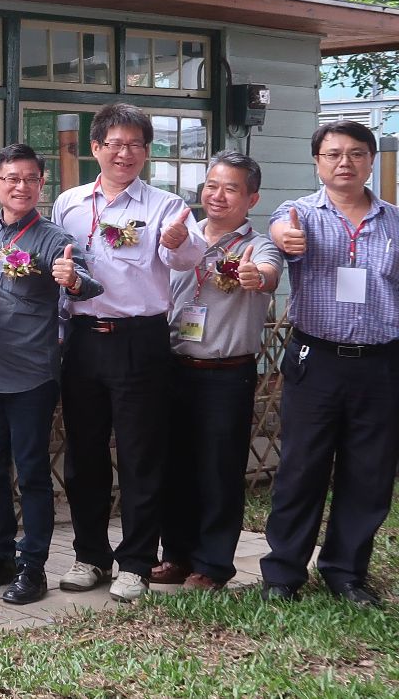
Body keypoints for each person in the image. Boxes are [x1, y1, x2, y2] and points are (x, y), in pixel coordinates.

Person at [50, 103, 204, 603]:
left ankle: (136, 562)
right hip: (83, 339)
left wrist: (180, 241)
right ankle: (89, 556)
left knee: (141, 456)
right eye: (114, 143)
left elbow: (185, 255)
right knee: (84, 454)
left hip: (141, 340)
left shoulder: (165, 206)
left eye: (135, 144)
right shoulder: (69, 203)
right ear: (95, 148)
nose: (124, 152)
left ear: (146, 151)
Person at [262, 121, 399, 607]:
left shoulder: (394, 222)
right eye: (334, 154)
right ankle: (282, 574)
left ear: (371, 160)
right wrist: (285, 238)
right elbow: (279, 231)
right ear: (317, 160)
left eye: (357, 154)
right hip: (314, 359)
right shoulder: (298, 213)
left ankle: (346, 572)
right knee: (301, 468)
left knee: (369, 473)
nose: (346, 162)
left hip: (380, 364)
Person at [0, 144, 100, 605]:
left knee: (33, 471)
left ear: (41, 185)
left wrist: (72, 279)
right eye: (11, 178)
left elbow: (87, 281)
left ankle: (32, 565)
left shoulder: (54, 239)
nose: (21, 187)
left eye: (30, 179)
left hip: (31, 375)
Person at [151, 151, 282, 591]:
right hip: (173, 369)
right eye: (211, 185)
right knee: (174, 466)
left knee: (219, 471)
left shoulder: (257, 244)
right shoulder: (181, 237)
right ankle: (177, 555)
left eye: (230, 188)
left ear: (252, 198)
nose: (217, 196)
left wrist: (255, 276)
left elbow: (269, 273)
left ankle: (212, 565)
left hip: (226, 374)